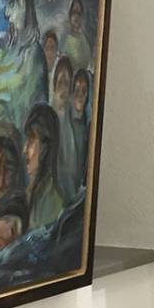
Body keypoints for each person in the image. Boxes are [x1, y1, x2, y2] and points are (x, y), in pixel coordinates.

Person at [0, 0, 47, 137]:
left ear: (28, 9)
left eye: (15, 2)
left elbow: (37, 115)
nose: (8, 12)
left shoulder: (34, 56)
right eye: (9, 3)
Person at [23, 104, 66, 230]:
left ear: (45, 148)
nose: (24, 149)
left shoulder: (50, 202)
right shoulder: (34, 193)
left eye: (31, 140)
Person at [50, 57, 78, 199]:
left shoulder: (72, 122)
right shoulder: (47, 120)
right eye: (60, 82)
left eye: (66, 83)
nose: (63, 89)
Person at [68, 69, 93, 195]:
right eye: (77, 90)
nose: (80, 95)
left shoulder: (89, 127)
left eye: (84, 91)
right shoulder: (65, 122)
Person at [59, 0, 92, 72]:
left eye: (79, 13)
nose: (76, 16)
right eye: (74, 12)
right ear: (69, 14)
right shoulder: (63, 37)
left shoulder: (84, 41)